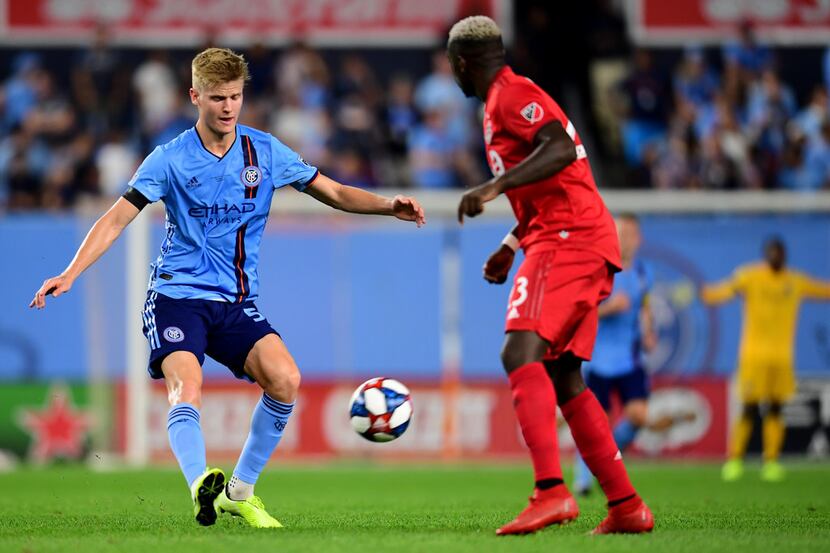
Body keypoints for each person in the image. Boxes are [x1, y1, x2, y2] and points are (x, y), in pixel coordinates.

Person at [30, 48, 425, 528]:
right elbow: (116, 219)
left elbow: (337, 193)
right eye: (217, 97)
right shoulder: (169, 159)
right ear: (195, 96)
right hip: (176, 297)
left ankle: (239, 491)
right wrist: (71, 272)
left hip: (236, 302)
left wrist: (389, 205)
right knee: (186, 386)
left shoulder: (266, 152)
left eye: (236, 96)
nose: (228, 107)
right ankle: (201, 484)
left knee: (286, 379)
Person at [448, 16, 653, 535]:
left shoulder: (510, 96)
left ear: (461, 64)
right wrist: (510, 243)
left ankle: (551, 492)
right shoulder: (505, 101)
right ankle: (626, 506)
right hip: (567, 234)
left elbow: (559, 148)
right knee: (564, 376)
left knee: (519, 351)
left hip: (569, 237)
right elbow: (549, 183)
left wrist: (493, 188)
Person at [702, 238, 830, 482]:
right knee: (749, 408)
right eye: (771, 253)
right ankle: (735, 460)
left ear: (784, 255)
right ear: (765, 256)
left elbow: (823, 290)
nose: (775, 256)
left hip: (782, 357)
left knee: (776, 407)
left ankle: (770, 461)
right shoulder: (750, 277)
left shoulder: (795, 280)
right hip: (754, 356)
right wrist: (706, 294)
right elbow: (723, 292)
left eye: (779, 252)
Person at [572, 213, 656, 496]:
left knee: (639, 416)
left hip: (630, 359)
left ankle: (608, 453)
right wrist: (610, 308)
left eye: (630, 234)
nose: (624, 239)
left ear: (638, 238)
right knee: (596, 423)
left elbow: (644, 306)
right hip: (599, 360)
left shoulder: (645, 273)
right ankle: (583, 479)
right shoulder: (601, 270)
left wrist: (648, 331)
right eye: (620, 233)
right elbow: (580, 312)